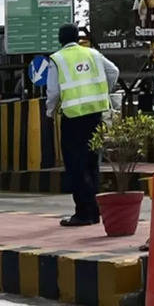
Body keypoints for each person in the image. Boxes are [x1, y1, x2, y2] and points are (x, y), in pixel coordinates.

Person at [46, 24, 119, 227]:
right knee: (91, 163)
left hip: (73, 117)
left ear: (60, 39)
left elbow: (53, 92)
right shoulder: (93, 54)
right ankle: (95, 211)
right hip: (95, 114)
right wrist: (102, 91)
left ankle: (83, 213)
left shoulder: (58, 59)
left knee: (76, 166)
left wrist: (49, 112)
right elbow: (113, 71)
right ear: (77, 37)